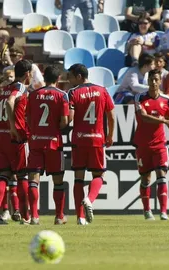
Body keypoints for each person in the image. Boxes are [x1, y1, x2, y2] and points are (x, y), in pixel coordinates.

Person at [67, 64, 115, 225]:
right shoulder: (102, 90)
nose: (68, 80)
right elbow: (111, 116)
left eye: (71, 76)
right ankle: (89, 199)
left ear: (79, 76)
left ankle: (80, 218)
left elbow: (70, 118)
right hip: (97, 139)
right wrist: (109, 135)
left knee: (78, 178)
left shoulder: (73, 92)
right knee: (99, 175)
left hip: (79, 140)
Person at [0, 60, 32, 225]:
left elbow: (2, 108)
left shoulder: (5, 89)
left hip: (0, 136)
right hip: (14, 137)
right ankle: (26, 217)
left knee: (3, 175)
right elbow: (9, 102)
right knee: (22, 177)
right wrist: (13, 127)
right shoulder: (19, 87)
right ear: (27, 74)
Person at [26, 66, 69, 225]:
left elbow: (28, 119)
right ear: (58, 79)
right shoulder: (62, 95)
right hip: (53, 143)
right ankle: (59, 216)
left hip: (36, 141)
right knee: (58, 181)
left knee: (33, 180)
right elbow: (64, 122)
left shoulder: (34, 95)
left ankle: (34, 216)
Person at [133, 69, 169, 221]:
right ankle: (147, 210)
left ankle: (163, 212)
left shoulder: (166, 100)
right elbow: (143, 117)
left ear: (160, 81)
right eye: (151, 79)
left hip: (160, 145)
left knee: (162, 175)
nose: (154, 82)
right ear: (148, 81)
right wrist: (163, 121)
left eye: (156, 79)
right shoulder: (139, 97)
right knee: (145, 179)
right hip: (143, 145)